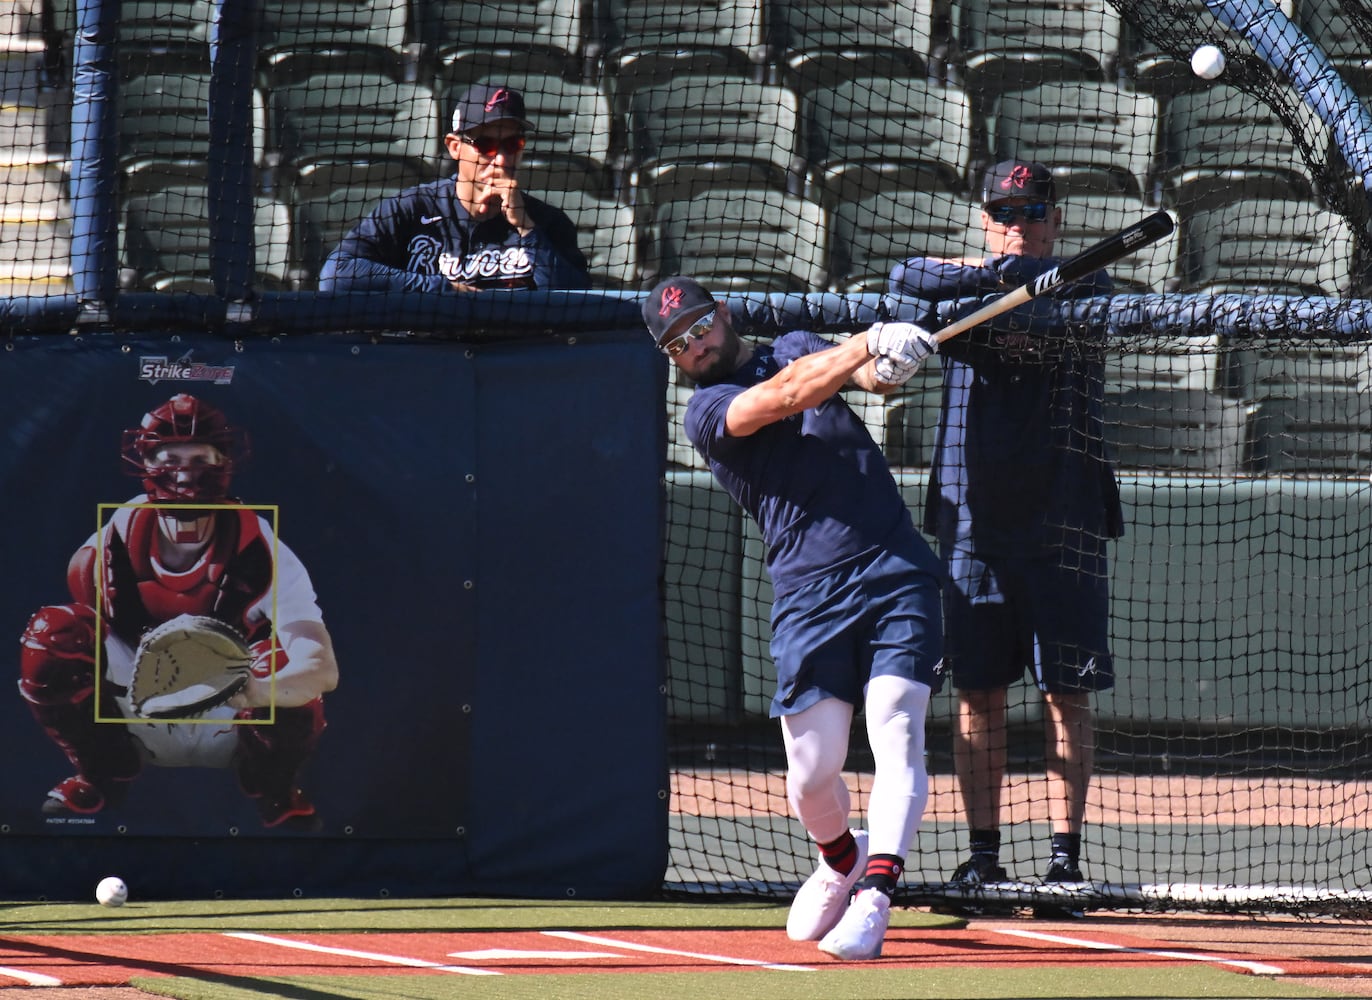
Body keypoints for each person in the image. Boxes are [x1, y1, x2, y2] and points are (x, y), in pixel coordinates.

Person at [644, 276, 943, 960]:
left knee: (896, 727)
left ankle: (876, 895)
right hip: (809, 595)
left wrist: (891, 362)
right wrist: (868, 339)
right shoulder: (709, 411)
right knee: (811, 775)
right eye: (678, 345)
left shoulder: (798, 343)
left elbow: (866, 380)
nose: (694, 346)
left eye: (699, 328)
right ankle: (841, 859)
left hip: (893, 567)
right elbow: (787, 395)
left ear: (722, 313)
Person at [887, 160, 1122, 915]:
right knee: (978, 692)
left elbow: (1072, 304)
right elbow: (903, 279)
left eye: (1032, 212)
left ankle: (1063, 866)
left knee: (1068, 693)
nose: (1018, 224)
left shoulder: (1088, 285)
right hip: (972, 518)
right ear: (985, 220)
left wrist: (1007, 287)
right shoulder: (965, 285)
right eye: (1004, 212)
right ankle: (983, 861)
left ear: (1057, 221)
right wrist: (988, 278)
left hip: (1067, 516)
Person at [18, 393, 340, 830]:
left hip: (229, 708)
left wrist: (259, 690)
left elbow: (322, 667)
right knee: (53, 634)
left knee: (286, 666)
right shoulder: (108, 544)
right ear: (148, 466)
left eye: (200, 457)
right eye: (170, 457)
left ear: (223, 462)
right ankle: (102, 771)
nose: (185, 472)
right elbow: (82, 645)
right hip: (138, 704)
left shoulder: (261, 547)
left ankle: (272, 784)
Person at [318, 83, 591, 292]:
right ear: (455, 147)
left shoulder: (546, 222)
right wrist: (441, 289)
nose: (501, 159)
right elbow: (336, 275)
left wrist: (526, 230)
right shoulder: (411, 210)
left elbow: (574, 301)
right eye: (487, 145)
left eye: (512, 144)